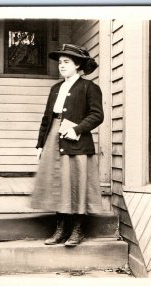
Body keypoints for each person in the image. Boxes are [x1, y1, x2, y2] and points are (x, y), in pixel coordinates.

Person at [30, 43, 104, 247]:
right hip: (54, 139)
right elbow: (47, 118)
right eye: (60, 62)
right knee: (58, 183)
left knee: (76, 185)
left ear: (78, 64)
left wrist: (77, 129)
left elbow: (97, 115)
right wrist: (40, 145)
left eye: (66, 62)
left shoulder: (89, 87)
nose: (61, 66)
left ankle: (77, 230)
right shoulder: (55, 89)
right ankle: (61, 229)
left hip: (77, 143)